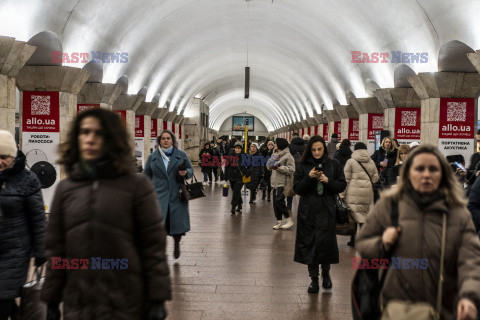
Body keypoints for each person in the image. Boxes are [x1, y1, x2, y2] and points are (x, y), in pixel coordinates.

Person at [42, 109, 171, 320]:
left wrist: (158, 297)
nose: (90, 139)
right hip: (79, 300)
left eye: (98, 133)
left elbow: (153, 246)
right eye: (84, 132)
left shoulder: (137, 186)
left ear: (111, 139)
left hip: (125, 298)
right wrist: (52, 299)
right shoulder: (66, 188)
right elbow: (56, 248)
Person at [356, 145, 480, 320]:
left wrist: (469, 296)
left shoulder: (457, 214)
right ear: (408, 172)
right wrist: (382, 242)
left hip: (442, 310)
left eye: (433, 169)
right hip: (395, 309)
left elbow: (470, 262)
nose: (427, 174)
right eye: (420, 168)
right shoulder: (389, 205)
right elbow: (362, 243)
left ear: (443, 174)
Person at [0, 130, 46, 320]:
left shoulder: (28, 179)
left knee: (2, 296)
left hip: (15, 250)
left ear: (13, 156)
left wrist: (41, 250)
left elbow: (38, 218)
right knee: (5, 298)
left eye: (3, 157)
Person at [293, 135, 346, 293]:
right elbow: (297, 188)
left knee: (326, 244)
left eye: (320, 149)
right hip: (308, 210)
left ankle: (327, 274)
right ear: (309, 149)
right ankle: (314, 279)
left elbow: (341, 185)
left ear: (324, 149)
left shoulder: (333, 164)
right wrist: (309, 178)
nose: (317, 152)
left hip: (326, 209)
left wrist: (327, 180)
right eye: (314, 149)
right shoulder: (302, 166)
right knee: (310, 244)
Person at [144, 129, 194, 260]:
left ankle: (177, 243)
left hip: (177, 195)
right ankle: (162, 250)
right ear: (159, 141)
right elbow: (146, 176)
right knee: (160, 225)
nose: (165, 141)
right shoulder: (152, 157)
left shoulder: (181, 154)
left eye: (168, 138)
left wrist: (186, 173)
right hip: (159, 196)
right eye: (163, 139)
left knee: (176, 224)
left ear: (173, 141)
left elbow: (191, 169)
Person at [342, 142, 379, 247]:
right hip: (367, 192)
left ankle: (353, 239)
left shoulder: (351, 162)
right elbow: (375, 178)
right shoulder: (371, 162)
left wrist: (342, 194)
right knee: (364, 215)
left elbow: (346, 179)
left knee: (353, 215)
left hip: (353, 192)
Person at [267, 138, 295, 229]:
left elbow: (291, 169)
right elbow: (268, 167)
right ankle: (279, 221)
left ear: (280, 145)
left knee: (279, 201)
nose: (274, 145)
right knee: (275, 203)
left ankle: (288, 219)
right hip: (274, 182)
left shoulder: (288, 156)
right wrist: (273, 160)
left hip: (282, 182)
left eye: (275, 143)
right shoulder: (275, 154)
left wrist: (280, 168)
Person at [225, 142, 247, 214]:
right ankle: (240, 203)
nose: (237, 150)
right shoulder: (230, 155)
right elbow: (227, 165)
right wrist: (226, 175)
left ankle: (233, 206)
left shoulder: (244, 156)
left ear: (241, 149)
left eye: (239, 148)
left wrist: (244, 173)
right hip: (232, 176)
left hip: (240, 177)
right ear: (234, 148)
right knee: (236, 191)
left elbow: (249, 167)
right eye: (236, 148)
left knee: (236, 190)